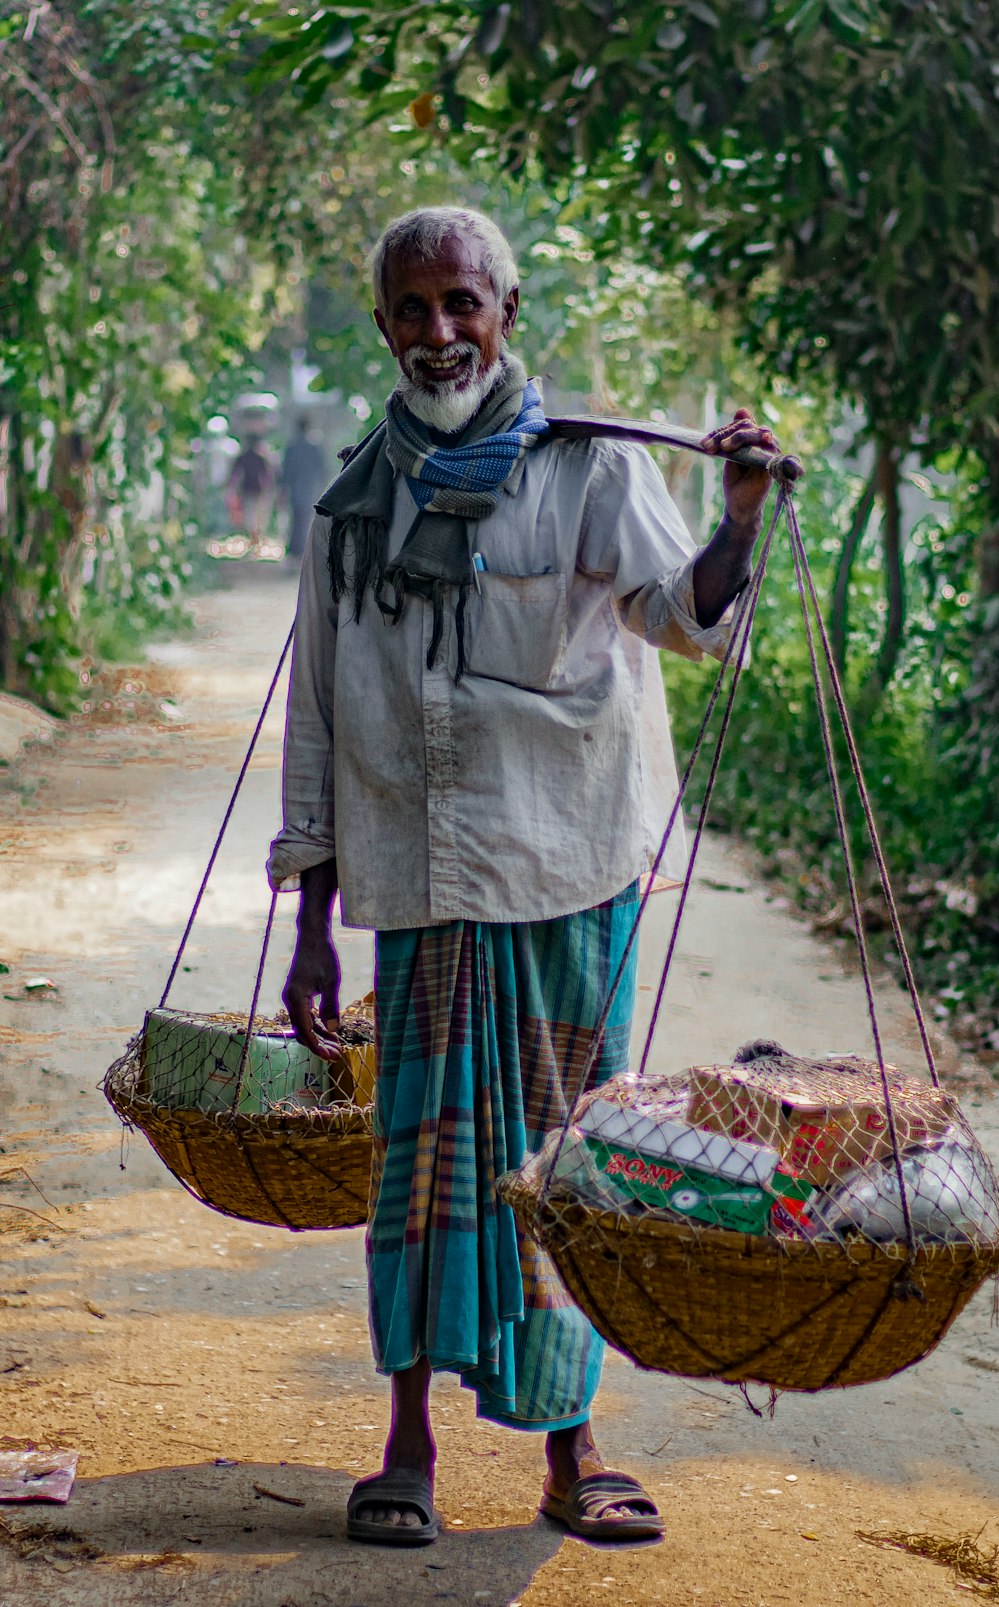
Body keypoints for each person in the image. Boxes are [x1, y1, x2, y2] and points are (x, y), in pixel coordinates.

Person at [267, 206, 780, 1547]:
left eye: (461, 305)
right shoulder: (352, 496)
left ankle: (574, 1443)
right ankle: (407, 1441)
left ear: (506, 313)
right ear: (384, 325)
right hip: (424, 878)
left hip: (570, 868)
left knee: (564, 1167)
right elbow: (318, 710)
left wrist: (734, 522)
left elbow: (688, 617)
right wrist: (311, 924)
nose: (438, 332)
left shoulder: (592, 469)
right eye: (411, 308)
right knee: (421, 1169)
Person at [280, 416, 328, 559]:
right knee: (305, 519)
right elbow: (322, 469)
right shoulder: (314, 447)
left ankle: (295, 549)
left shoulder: (292, 446)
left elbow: (285, 471)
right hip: (310, 488)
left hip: (295, 489)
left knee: (295, 518)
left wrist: (283, 488)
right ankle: (301, 550)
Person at [226, 434, 276, 544]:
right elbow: (266, 477)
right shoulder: (259, 459)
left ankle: (254, 536)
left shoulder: (244, 457)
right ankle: (255, 536)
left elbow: (234, 475)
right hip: (255, 489)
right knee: (255, 514)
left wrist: (231, 486)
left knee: (251, 513)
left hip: (249, 489)